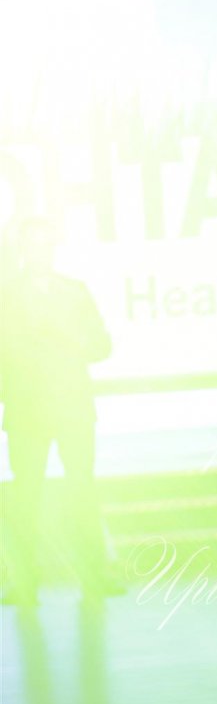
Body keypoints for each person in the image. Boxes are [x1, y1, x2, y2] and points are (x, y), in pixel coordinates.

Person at [0, 217, 115, 605]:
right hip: (26, 410)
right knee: (25, 497)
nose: (41, 252)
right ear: (22, 248)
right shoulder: (5, 295)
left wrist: (72, 340)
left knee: (82, 489)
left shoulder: (75, 291)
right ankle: (23, 581)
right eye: (33, 244)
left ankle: (95, 575)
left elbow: (102, 346)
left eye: (46, 244)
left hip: (72, 408)